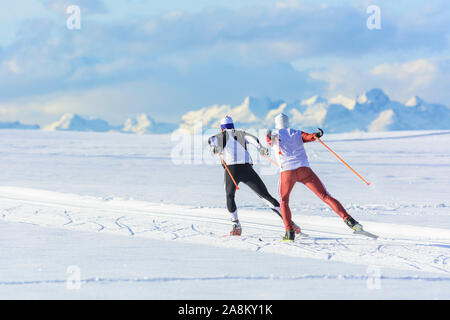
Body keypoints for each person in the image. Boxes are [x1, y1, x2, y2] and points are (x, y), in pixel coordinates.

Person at [266, 113, 363, 241]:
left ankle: (289, 232)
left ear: (276, 123)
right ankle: (351, 221)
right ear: (288, 122)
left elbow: (268, 140)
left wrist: (271, 136)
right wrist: (316, 135)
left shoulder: (273, 133)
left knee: (284, 201)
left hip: (287, 173)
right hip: (304, 170)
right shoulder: (296, 132)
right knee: (325, 196)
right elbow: (309, 137)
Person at [208, 115, 301, 236]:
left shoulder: (220, 136)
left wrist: (214, 148)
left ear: (222, 128)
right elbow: (253, 139)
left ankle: (236, 226)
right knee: (266, 196)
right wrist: (260, 148)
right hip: (247, 169)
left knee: (230, 196)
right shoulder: (241, 133)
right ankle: (289, 223)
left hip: (231, 170)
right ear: (233, 126)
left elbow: (211, 140)